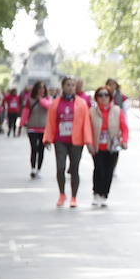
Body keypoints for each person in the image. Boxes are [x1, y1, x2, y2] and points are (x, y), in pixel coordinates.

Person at [43, 76, 94, 208]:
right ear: (63, 87)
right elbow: (50, 122)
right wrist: (47, 138)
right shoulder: (55, 103)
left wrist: (88, 141)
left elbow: (86, 124)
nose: (71, 87)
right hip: (60, 140)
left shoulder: (81, 103)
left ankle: (73, 197)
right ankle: (62, 194)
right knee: (60, 167)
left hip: (76, 141)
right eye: (68, 85)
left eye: (73, 85)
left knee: (74, 169)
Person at [89, 86, 130, 207]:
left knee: (109, 171)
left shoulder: (117, 110)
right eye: (100, 95)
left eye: (106, 95)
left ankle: (104, 194)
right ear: (96, 98)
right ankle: (96, 193)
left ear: (110, 97)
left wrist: (124, 140)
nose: (103, 98)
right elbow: (87, 128)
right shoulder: (91, 111)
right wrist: (88, 143)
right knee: (99, 169)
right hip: (97, 146)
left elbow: (124, 127)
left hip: (112, 146)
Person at [20, 82, 53, 178]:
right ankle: (33, 169)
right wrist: (22, 123)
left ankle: (39, 169)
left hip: (44, 129)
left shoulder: (48, 99)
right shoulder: (30, 100)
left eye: (43, 88)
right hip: (32, 128)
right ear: (36, 89)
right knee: (34, 148)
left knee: (41, 150)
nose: (41, 90)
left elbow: (48, 106)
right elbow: (25, 112)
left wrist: (41, 100)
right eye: (39, 88)